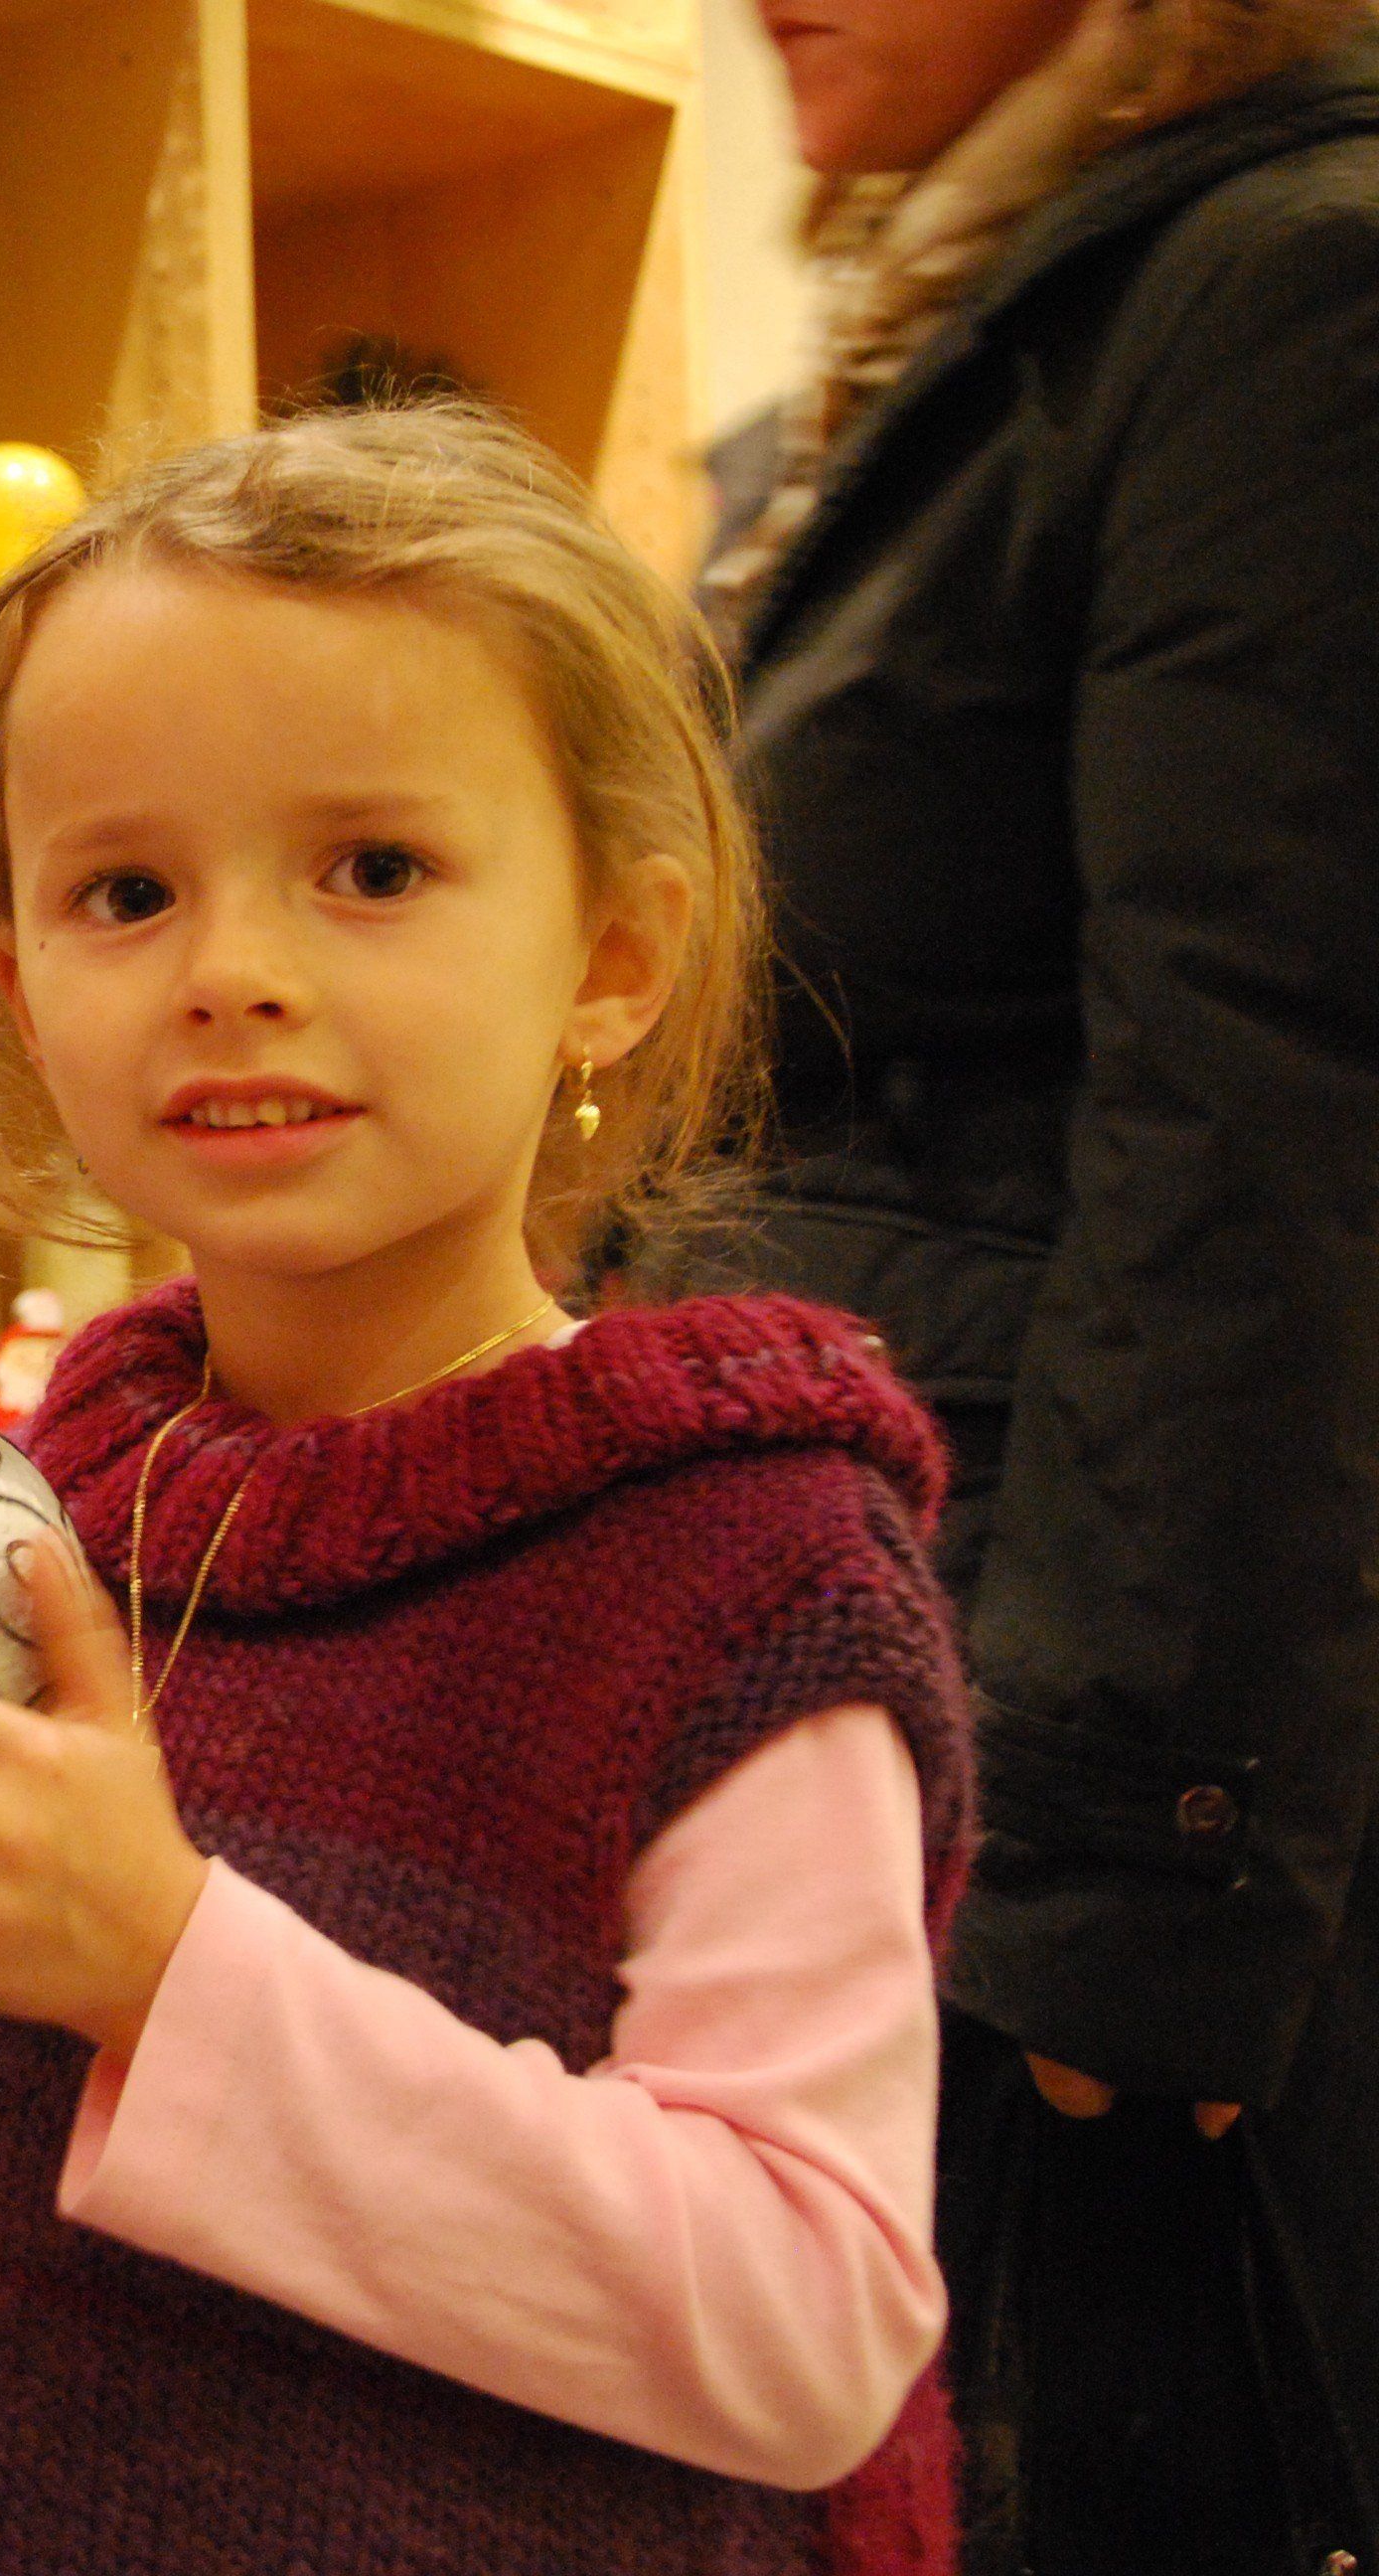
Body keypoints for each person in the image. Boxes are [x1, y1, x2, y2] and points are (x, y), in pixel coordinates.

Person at [0, 406, 975, 2571]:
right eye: (126, 893)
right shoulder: (39, 1532)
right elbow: (0, 2288)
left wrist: (163, 1966)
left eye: (372, 870)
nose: (230, 973)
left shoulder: (742, 1569)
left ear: (608, 958)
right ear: (24, 993)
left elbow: (807, 2320)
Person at [707, 1, 1379, 2563]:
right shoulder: (1012, 299)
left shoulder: (1285, 282)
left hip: (1043, 1809)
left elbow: (1265, 1119)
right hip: (906, 1711)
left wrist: (1124, 1888)